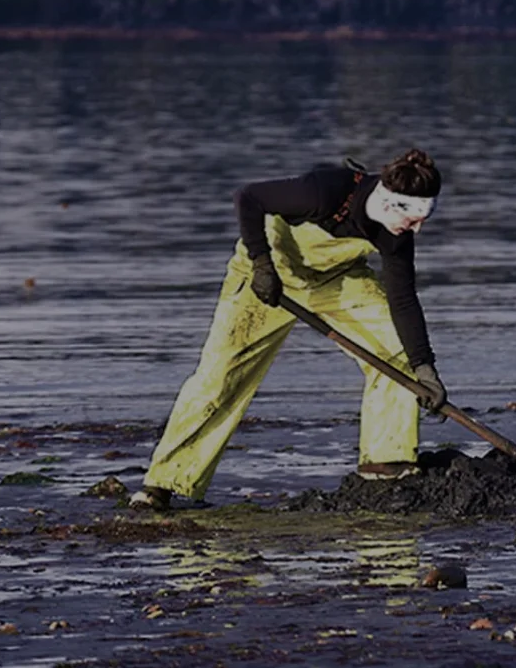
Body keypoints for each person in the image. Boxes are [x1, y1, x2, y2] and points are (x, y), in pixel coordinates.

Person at [129, 149, 447, 511]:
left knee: (395, 350)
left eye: (424, 219)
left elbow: (403, 300)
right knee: (220, 378)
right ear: (390, 202)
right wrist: (262, 265)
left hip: (335, 280)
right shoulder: (324, 191)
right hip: (266, 279)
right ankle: (162, 483)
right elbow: (249, 197)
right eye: (414, 219)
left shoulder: (395, 234)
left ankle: (386, 464)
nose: (417, 229)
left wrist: (424, 368)